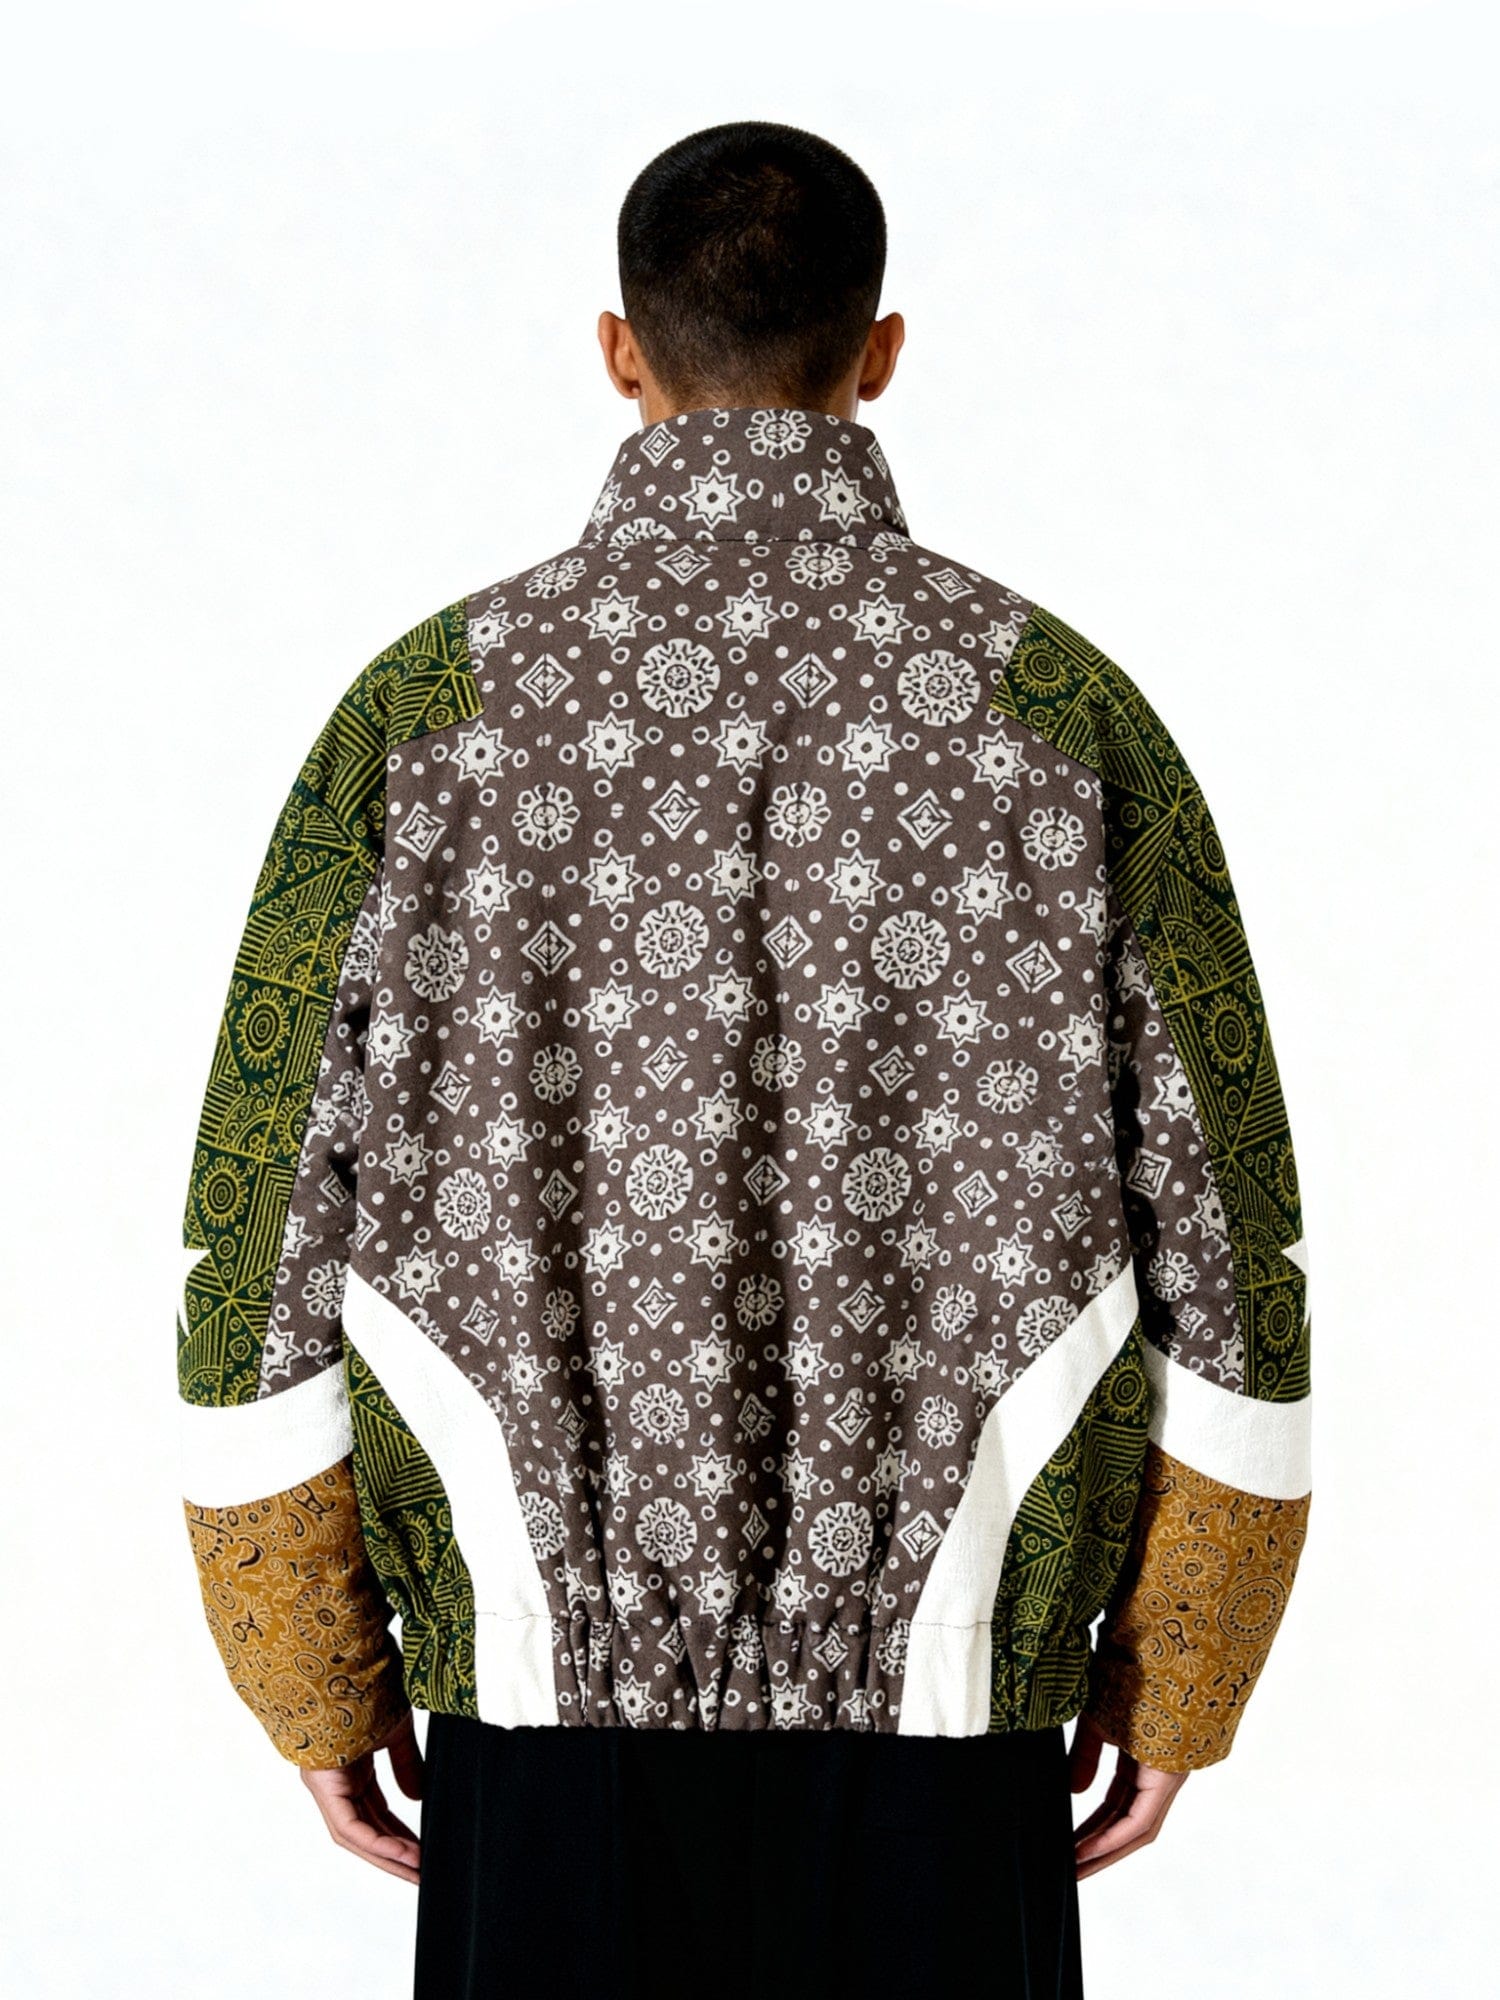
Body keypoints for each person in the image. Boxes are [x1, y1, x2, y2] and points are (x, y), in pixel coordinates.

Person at [173, 120, 1312, 1998]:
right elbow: (1231, 1219)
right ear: (882, 351)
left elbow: (261, 1209)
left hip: (546, 1726)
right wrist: (1186, 1655)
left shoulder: (426, 717)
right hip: (949, 1713)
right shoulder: (1059, 712)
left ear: (619, 352)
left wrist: (306, 1658)